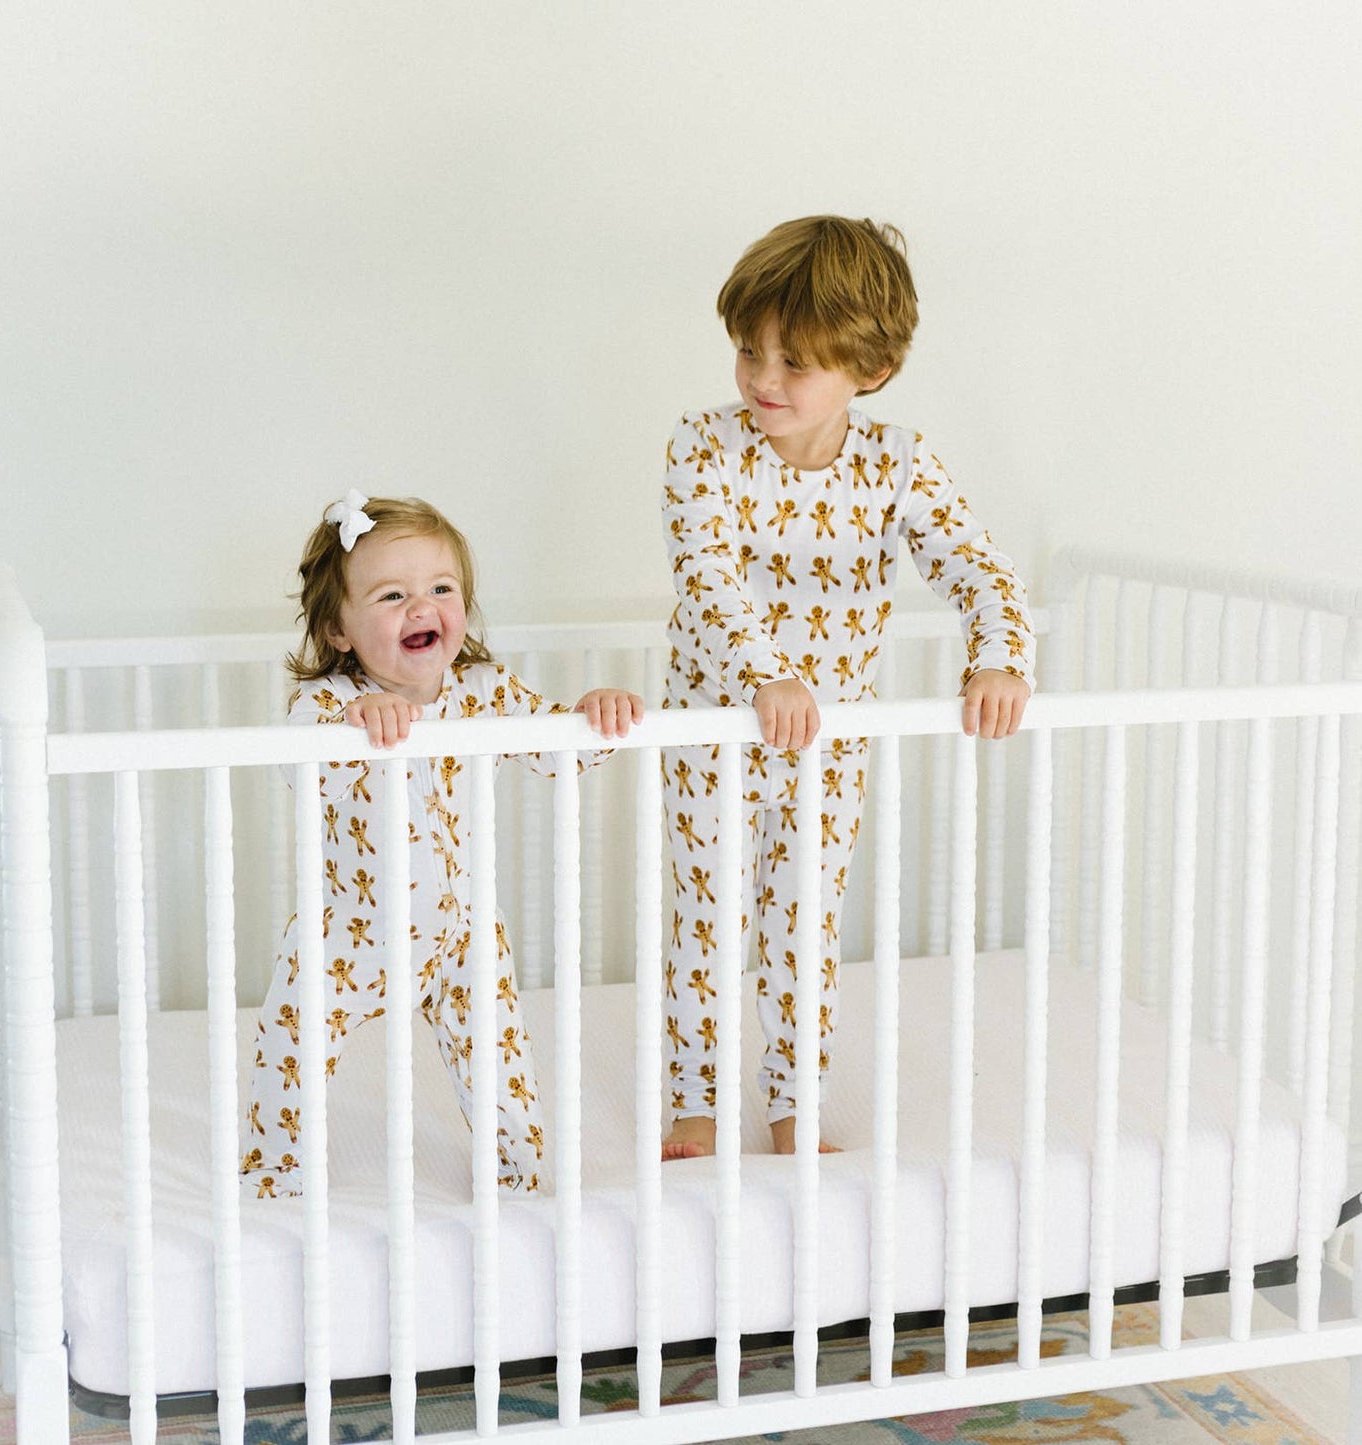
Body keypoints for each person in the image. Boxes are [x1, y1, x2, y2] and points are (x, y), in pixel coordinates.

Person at [660, 215, 1035, 1160]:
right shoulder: (702, 448)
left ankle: (792, 1104)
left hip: (828, 750)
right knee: (704, 919)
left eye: (794, 363)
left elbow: (981, 571)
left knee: (803, 927)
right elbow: (705, 581)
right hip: (715, 732)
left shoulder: (897, 463)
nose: (762, 381)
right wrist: (767, 677)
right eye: (749, 351)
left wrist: (997, 657)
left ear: (868, 372)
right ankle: (694, 1102)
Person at [242, 493, 643, 1197]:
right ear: (339, 628)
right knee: (291, 1038)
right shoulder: (328, 704)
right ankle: (277, 1175)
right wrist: (354, 723)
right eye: (392, 594)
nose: (421, 607)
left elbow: (556, 751)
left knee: (500, 1060)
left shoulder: (480, 689)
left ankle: (520, 1179)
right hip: (355, 930)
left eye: (440, 589)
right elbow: (298, 771)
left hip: (462, 932)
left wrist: (591, 717)